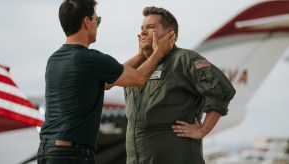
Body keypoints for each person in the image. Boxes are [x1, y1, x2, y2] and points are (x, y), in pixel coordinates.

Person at [37, 0, 175, 163]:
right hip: (71, 154)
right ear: (87, 21)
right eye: (98, 20)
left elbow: (109, 82)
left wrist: (140, 56)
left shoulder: (55, 60)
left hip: (48, 150)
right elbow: (139, 79)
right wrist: (159, 52)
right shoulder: (91, 59)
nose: (98, 25)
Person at [124, 6, 236, 164]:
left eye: (150, 27)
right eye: (142, 28)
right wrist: (142, 55)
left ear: (170, 33)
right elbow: (109, 80)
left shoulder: (184, 60)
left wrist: (202, 130)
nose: (142, 32)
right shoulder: (136, 70)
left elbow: (222, 90)